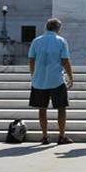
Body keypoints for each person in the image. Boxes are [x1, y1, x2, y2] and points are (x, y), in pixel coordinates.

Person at [28, 17, 74, 145]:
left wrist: (33, 74)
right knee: (61, 108)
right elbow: (65, 61)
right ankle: (61, 135)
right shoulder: (61, 41)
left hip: (39, 81)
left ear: (46, 27)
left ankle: (45, 136)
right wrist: (71, 76)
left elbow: (31, 60)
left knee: (42, 109)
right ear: (58, 29)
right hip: (57, 80)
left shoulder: (36, 41)